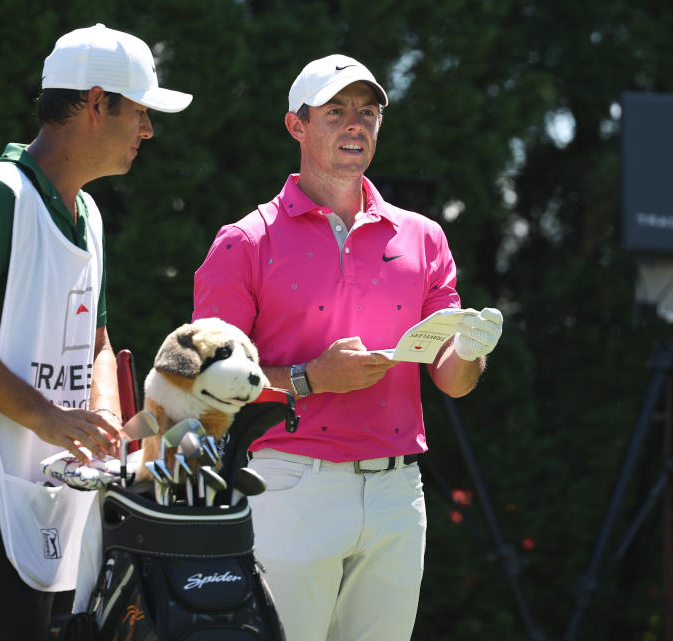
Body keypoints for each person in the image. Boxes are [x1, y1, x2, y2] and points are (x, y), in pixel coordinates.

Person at [0, 24, 191, 641]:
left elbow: (97, 342)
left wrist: (102, 423)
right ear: (97, 103)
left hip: (60, 499)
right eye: (142, 112)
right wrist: (47, 417)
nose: (149, 130)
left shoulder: (88, 212)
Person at [192, 54, 503, 641]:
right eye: (335, 111)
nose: (355, 124)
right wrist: (309, 378)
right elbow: (205, 383)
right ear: (297, 126)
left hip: (396, 492)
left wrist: (472, 349)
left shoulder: (422, 237)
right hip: (288, 483)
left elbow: (451, 380)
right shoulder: (244, 242)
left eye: (367, 111)